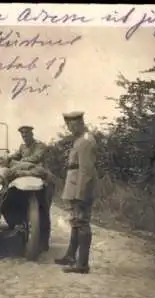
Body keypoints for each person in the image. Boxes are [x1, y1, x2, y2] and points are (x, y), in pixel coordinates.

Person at [54, 111, 98, 274]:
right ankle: (71, 256)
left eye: (72, 124)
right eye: (68, 125)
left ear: (80, 122)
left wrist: (81, 194)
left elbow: (86, 171)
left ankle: (82, 264)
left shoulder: (85, 141)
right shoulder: (80, 140)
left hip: (80, 188)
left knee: (82, 223)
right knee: (75, 222)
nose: (70, 128)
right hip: (74, 186)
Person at [0, 125, 53, 252]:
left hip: (42, 180)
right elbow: (15, 156)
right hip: (27, 177)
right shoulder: (22, 146)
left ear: (32, 134)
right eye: (23, 135)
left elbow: (36, 159)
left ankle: (44, 243)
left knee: (43, 211)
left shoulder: (40, 145)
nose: (25, 137)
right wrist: (6, 158)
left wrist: (18, 163)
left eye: (27, 134)